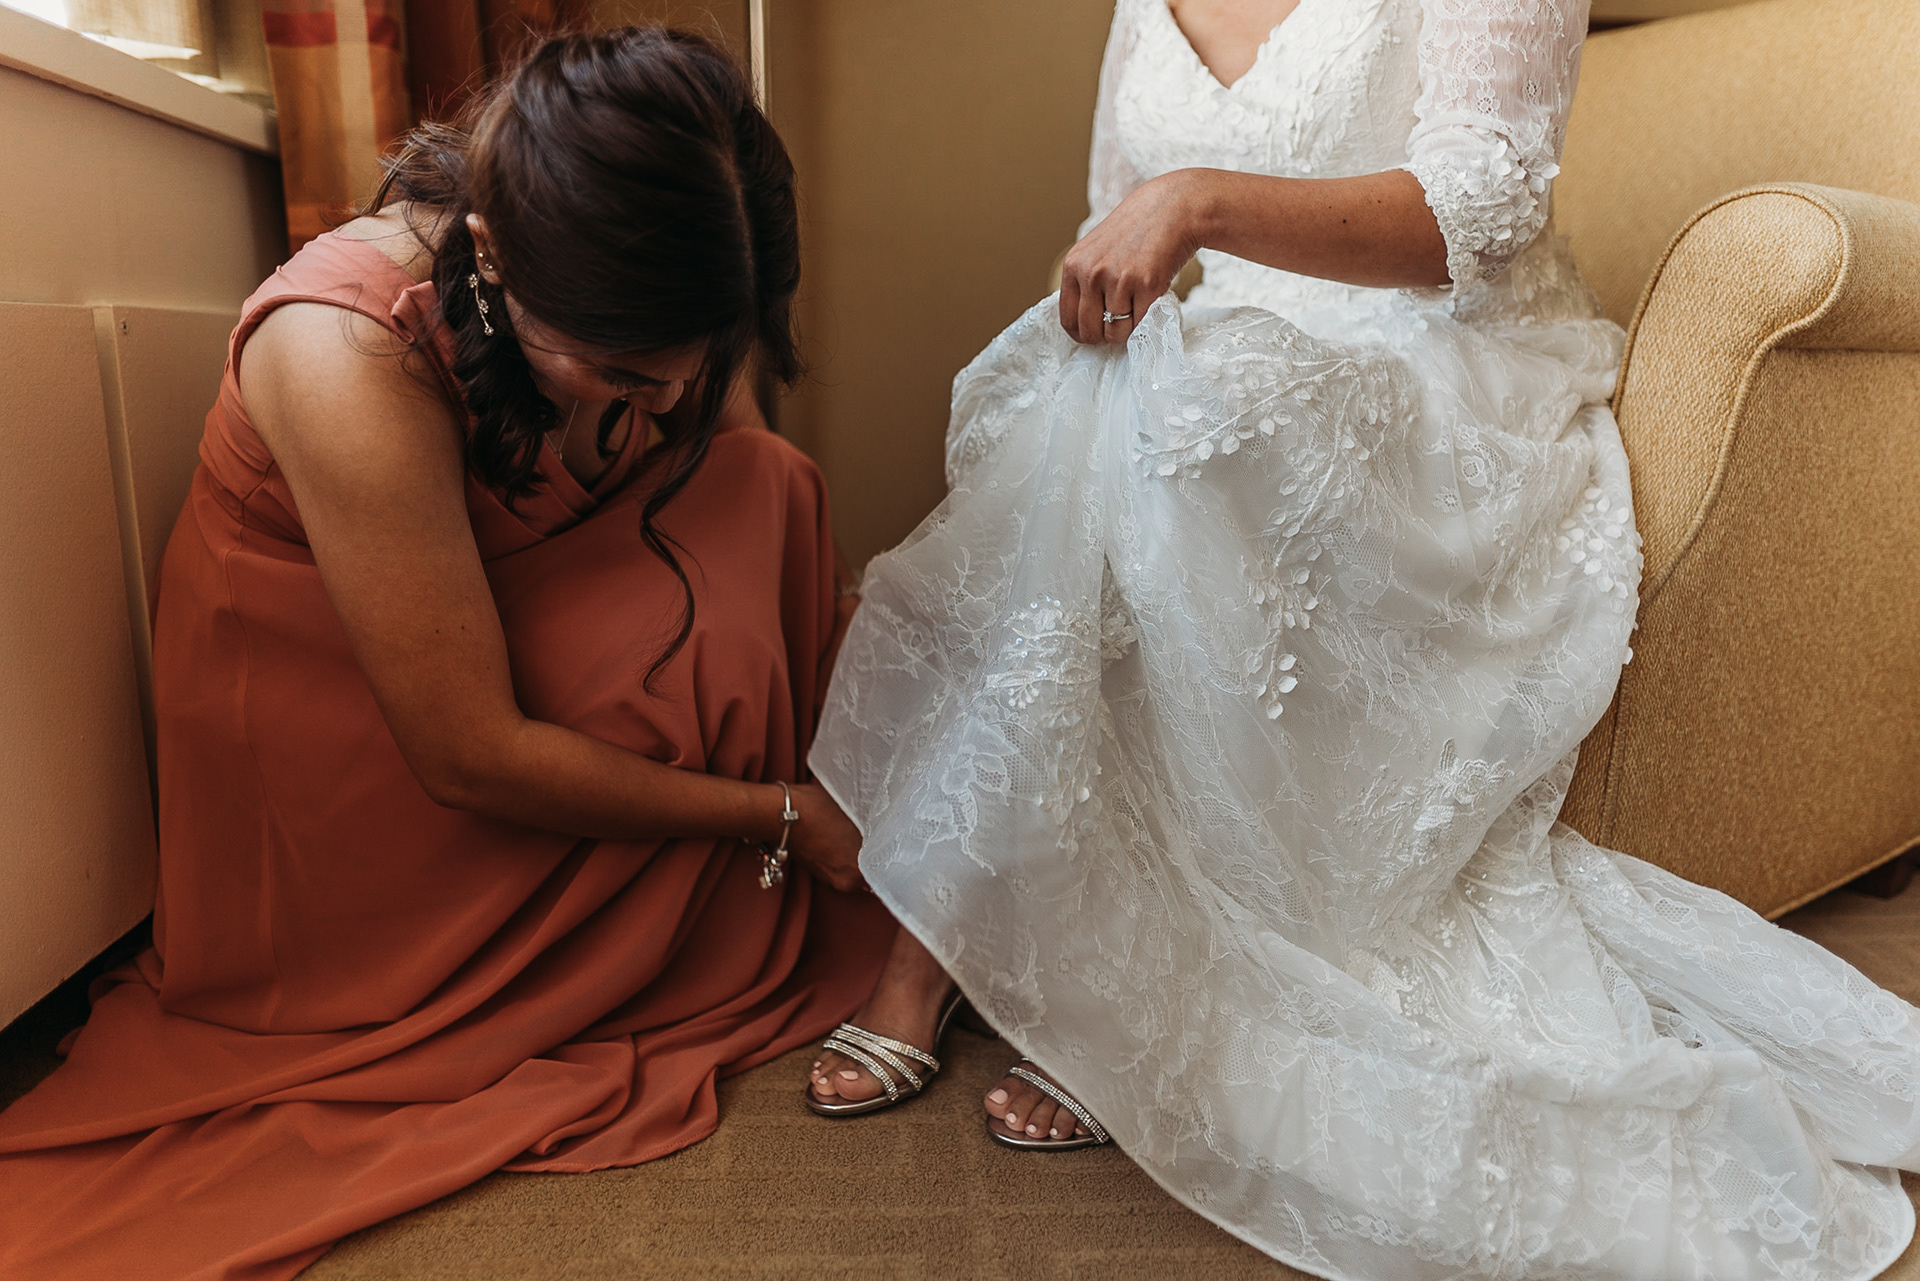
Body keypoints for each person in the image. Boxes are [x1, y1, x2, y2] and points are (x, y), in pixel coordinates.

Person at [802, 0, 1920, 1276]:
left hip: (1447, 373)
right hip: (1227, 354)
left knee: (1197, 422)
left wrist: (1198, 202)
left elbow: (1474, 220)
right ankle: (941, 942)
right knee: (1097, 405)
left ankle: (1051, 970)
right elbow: (1114, 222)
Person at [0, 27, 893, 1280]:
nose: (661, 407)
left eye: (686, 372)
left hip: (502, 639)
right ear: (491, 254)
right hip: (359, 758)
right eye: (623, 375)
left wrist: (860, 674)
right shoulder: (343, 351)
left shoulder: (653, 303)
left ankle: (691, 884)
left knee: (770, 487)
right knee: (712, 626)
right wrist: (779, 813)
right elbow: (466, 753)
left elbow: (731, 462)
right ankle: (657, 897)